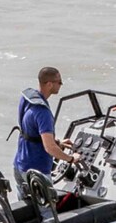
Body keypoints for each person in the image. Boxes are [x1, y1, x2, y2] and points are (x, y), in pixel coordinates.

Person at [12, 67, 79, 206]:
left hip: (19, 165)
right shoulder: (43, 113)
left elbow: (32, 131)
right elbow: (49, 148)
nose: (61, 84)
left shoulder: (28, 99)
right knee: (47, 210)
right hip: (37, 171)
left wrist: (57, 143)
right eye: (59, 82)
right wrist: (71, 159)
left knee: (28, 210)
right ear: (49, 84)